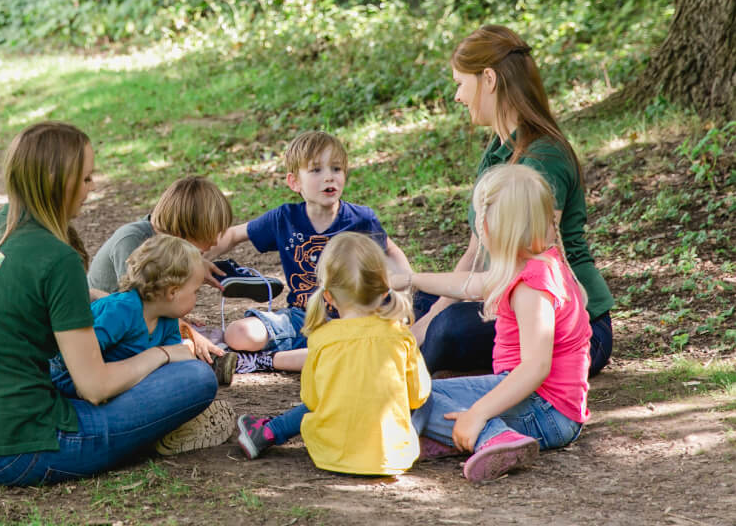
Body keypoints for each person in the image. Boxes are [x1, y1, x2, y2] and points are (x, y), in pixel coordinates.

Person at [0, 122, 218, 485]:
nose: (91, 187)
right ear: (56, 179)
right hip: (20, 449)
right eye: (85, 179)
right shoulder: (57, 257)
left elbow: (39, 301)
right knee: (195, 378)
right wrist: (164, 354)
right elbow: (94, 387)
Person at [415, 25, 614, 376]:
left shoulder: (543, 159)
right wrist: (431, 312)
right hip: (505, 296)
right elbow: (476, 254)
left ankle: (386, 374)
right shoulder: (499, 149)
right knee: (421, 302)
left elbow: (535, 272)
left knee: (448, 328)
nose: (458, 96)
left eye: (461, 83)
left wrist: (435, 321)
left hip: (571, 329)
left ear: (488, 79)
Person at [395, 163, 591, 484]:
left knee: (412, 393)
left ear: (488, 227)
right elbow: (469, 285)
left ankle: (495, 439)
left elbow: (535, 367)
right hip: (545, 406)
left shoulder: (532, 287)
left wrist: (478, 414)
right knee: (416, 391)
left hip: (547, 413)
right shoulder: (531, 263)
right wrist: (410, 278)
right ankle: (456, 438)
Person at [232, 232, 430, 476]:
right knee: (430, 399)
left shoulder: (322, 339)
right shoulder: (401, 337)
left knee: (329, 401)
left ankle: (269, 432)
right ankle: (410, 441)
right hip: (394, 458)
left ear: (329, 297)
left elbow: (313, 400)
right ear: (384, 290)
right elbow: (418, 395)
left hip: (330, 454)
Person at [216, 130, 411, 377]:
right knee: (239, 333)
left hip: (354, 317)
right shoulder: (284, 219)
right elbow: (233, 235)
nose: (329, 177)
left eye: (337, 169)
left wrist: (405, 291)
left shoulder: (360, 219)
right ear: (294, 182)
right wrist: (195, 257)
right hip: (304, 318)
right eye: (316, 170)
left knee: (360, 346)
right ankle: (304, 353)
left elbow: (391, 251)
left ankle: (266, 361)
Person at [52, 234, 241, 454]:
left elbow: (167, 368)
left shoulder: (167, 319)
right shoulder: (121, 310)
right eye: (196, 291)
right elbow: (78, 356)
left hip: (123, 381)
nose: (196, 297)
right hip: (73, 382)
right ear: (173, 292)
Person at [87, 175, 279, 362]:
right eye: (208, 235)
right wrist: (186, 329)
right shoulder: (132, 240)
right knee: (192, 343)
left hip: (136, 324)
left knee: (206, 338)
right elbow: (139, 304)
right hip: (108, 328)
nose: (214, 243)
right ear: (182, 232)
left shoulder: (166, 246)